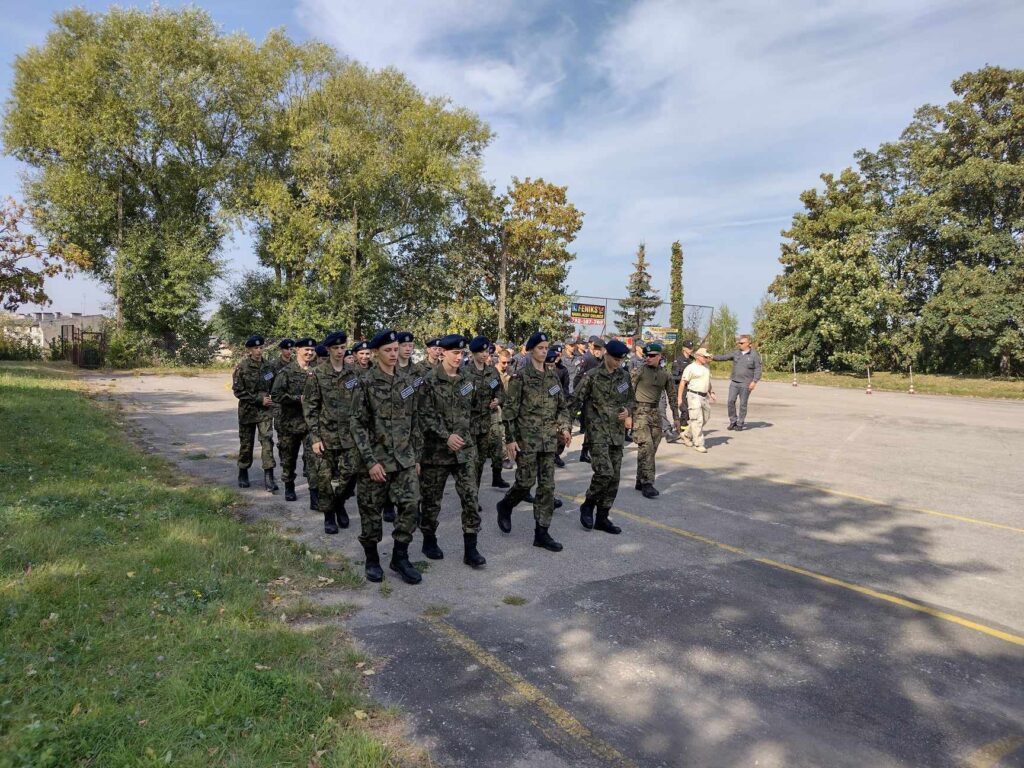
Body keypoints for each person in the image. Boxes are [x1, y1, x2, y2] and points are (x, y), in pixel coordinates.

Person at [350, 329, 423, 585]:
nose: (393, 354)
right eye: (388, 350)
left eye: (395, 349)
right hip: (376, 461)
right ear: (375, 353)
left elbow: (414, 420)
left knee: (411, 506)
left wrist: (416, 456)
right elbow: (357, 425)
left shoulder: (406, 382)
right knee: (371, 513)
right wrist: (370, 461)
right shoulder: (364, 383)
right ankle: (372, 559)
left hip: (404, 459)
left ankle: (400, 557)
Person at [496, 332, 571, 552]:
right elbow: (509, 412)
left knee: (547, 487)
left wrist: (565, 428)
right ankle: (506, 505)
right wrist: (510, 440)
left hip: (548, 442)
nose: (544, 351)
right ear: (530, 350)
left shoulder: (553, 377)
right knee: (525, 483)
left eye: (546, 348)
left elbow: (562, 407)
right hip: (527, 441)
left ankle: (542, 533)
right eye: (540, 348)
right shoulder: (520, 377)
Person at [417, 334, 487, 568]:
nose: (459, 357)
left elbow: (473, 409)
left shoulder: (468, 379)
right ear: (443, 353)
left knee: (471, 497)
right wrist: (446, 436)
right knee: (431, 501)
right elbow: (424, 415)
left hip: (464, 450)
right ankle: (429, 539)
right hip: (436, 452)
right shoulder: (428, 381)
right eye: (455, 353)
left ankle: (471, 548)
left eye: (462, 353)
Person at [571, 339, 634, 534]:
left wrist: (628, 411)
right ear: (606, 355)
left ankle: (602, 517)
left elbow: (631, 400)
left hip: (617, 434)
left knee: (614, 478)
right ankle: (588, 504)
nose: (618, 363)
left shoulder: (624, 376)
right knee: (604, 472)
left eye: (621, 360)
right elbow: (575, 401)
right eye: (616, 359)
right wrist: (564, 427)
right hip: (597, 432)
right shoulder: (592, 376)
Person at [303, 331, 361, 532]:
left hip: (349, 436)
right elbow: (310, 408)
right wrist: (315, 437)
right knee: (325, 479)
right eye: (336, 348)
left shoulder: (354, 373)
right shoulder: (316, 374)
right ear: (328, 349)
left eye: (343, 348)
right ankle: (329, 516)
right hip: (325, 436)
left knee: (350, 475)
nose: (339, 351)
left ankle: (339, 504)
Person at [631, 342, 680, 498]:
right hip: (640, 412)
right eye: (647, 355)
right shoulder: (639, 371)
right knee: (646, 446)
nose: (649, 358)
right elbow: (628, 392)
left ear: (660, 356)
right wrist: (628, 415)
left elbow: (672, 395)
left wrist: (676, 417)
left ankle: (640, 479)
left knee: (651, 449)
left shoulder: (665, 374)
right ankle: (648, 483)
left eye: (652, 356)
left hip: (655, 412)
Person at [271, 337, 317, 502]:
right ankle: (289, 486)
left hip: (310, 425)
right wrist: (298, 398)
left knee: (314, 460)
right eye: (306, 350)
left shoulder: (316, 371)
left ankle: (314, 494)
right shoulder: (286, 372)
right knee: (289, 458)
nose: (310, 353)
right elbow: (276, 395)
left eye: (312, 350)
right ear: (298, 350)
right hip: (290, 424)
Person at [232, 335, 278, 492]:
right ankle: (243, 471)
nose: (259, 351)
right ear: (249, 350)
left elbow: (275, 386)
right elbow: (238, 391)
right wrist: (259, 399)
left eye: (261, 347)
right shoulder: (242, 367)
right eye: (255, 348)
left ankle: (269, 476)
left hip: (265, 412)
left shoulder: (269, 367)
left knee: (267, 441)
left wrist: (273, 397)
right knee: (246, 443)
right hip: (248, 412)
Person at [464, 336, 505, 493]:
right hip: (469, 424)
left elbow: (500, 391)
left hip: (485, 424)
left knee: (480, 462)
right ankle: (470, 496)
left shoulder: (491, 372)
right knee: (471, 462)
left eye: (486, 351)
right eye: (481, 352)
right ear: (474, 353)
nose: (485, 354)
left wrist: (497, 400)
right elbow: (459, 398)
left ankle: (474, 494)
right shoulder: (465, 372)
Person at [712, 335, 762, 431]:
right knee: (730, 401)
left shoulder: (754, 355)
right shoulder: (736, 353)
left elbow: (758, 369)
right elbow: (724, 357)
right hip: (734, 382)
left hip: (746, 383)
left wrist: (754, 381)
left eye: (742, 343)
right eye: (739, 343)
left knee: (743, 404)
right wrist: (712, 357)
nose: (740, 344)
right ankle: (733, 421)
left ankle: (740, 423)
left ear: (748, 344)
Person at [572, 336, 605, 463]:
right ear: (591, 346)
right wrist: (578, 395)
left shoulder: (601, 360)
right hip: (587, 398)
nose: (597, 350)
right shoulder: (586, 359)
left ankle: (586, 452)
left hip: (598, 398)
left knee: (594, 427)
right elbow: (577, 378)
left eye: (600, 348)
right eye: (595, 347)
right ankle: (585, 452)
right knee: (591, 426)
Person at [678, 347, 715, 453]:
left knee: (705, 417)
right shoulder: (690, 368)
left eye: (707, 357)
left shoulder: (706, 367)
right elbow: (682, 383)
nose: (706, 358)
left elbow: (708, 382)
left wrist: (711, 392)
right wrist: (679, 398)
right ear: (698, 356)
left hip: (704, 396)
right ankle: (698, 443)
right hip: (694, 395)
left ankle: (686, 434)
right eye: (705, 357)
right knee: (697, 420)